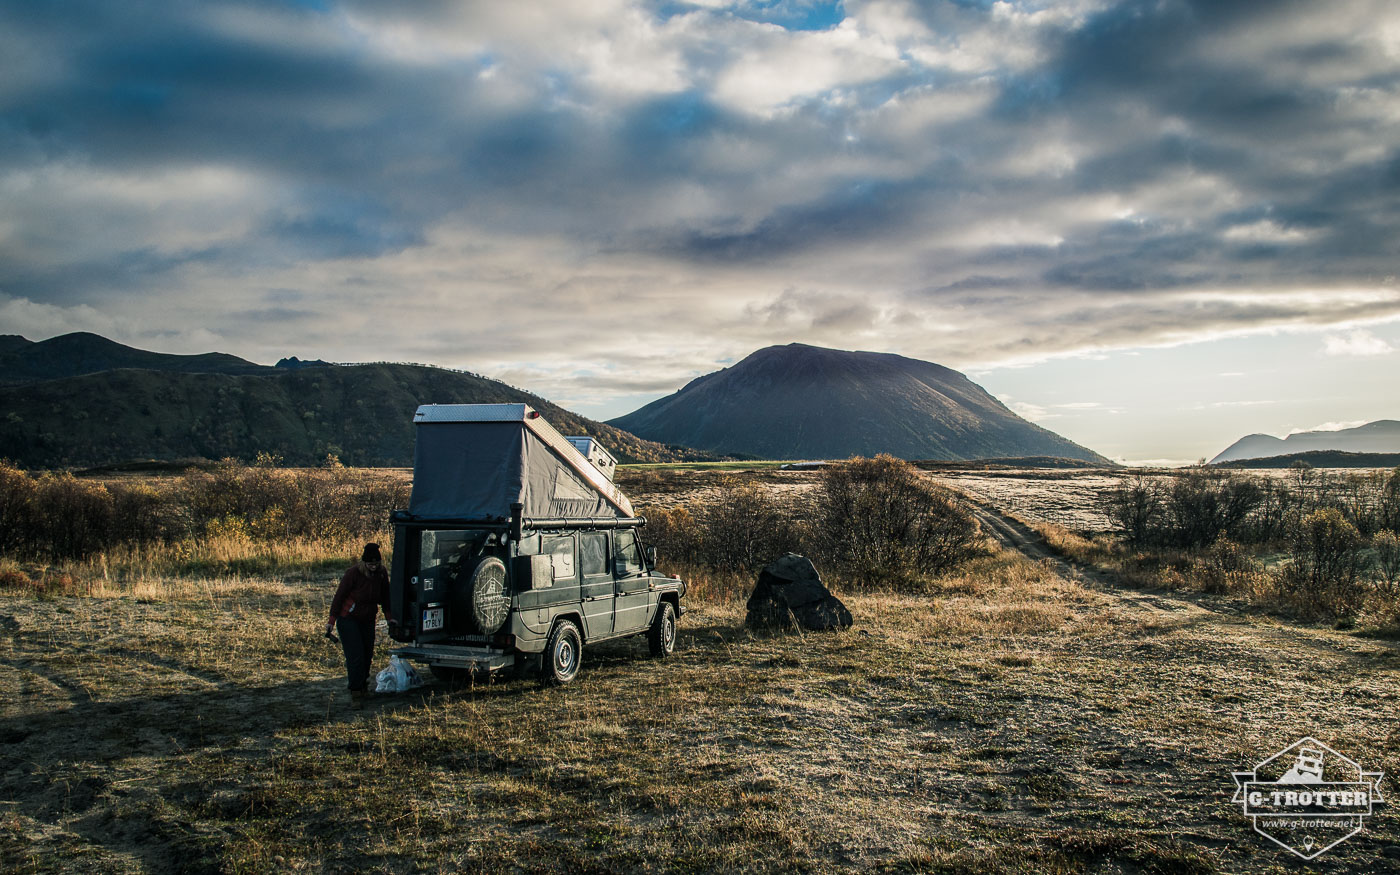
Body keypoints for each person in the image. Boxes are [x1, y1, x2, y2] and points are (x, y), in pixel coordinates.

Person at [327, 543, 394, 707]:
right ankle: (355, 692)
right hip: (348, 618)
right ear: (364, 563)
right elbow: (339, 597)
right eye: (370, 564)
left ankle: (364, 686)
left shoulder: (381, 574)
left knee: (367, 654)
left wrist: (389, 617)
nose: (373, 567)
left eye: (376, 564)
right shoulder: (353, 573)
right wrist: (331, 621)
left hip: (368, 618)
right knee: (355, 655)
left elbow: (386, 597)